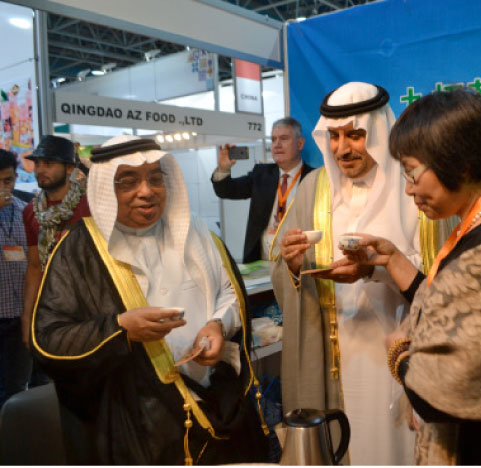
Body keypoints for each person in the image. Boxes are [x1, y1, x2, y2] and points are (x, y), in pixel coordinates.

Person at [343, 88, 481, 465]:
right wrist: (393, 259)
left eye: (412, 172)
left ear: (459, 164)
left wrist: (397, 351)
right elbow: (453, 306)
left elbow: (435, 398)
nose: (410, 189)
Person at [30, 135, 268, 464]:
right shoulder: (78, 250)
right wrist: (120, 330)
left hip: (217, 403)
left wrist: (217, 323)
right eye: (128, 181)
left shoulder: (197, 232)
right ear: (104, 190)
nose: (146, 191)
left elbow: (229, 291)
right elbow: (49, 340)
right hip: (138, 425)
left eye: (155, 178)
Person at [271, 82, 450, 465]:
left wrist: (378, 270)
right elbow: (282, 270)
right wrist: (292, 264)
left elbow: (444, 281)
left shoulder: (416, 187)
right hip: (334, 356)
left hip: (400, 350)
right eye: (333, 137)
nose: (342, 149)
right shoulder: (312, 189)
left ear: (379, 133)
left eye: (355, 135)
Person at [211, 117, 313, 263]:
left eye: (284, 138)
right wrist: (223, 168)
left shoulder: (313, 177)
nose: (277, 145)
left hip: (299, 262)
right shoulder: (261, 174)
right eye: (273, 139)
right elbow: (226, 190)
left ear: (300, 143)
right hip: (262, 264)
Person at [21, 135, 90, 350]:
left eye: (49, 163)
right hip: (50, 307)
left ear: (70, 168)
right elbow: (34, 267)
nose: (40, 169)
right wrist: (27, 317)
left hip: (88, 306)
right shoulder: (31, 212)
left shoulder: (90, 206)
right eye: (38, 163)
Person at [0, 149, 32, 408]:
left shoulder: (27, 212)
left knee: (16, 389)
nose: (3, 187)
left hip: (20, 317)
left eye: (8, 180)